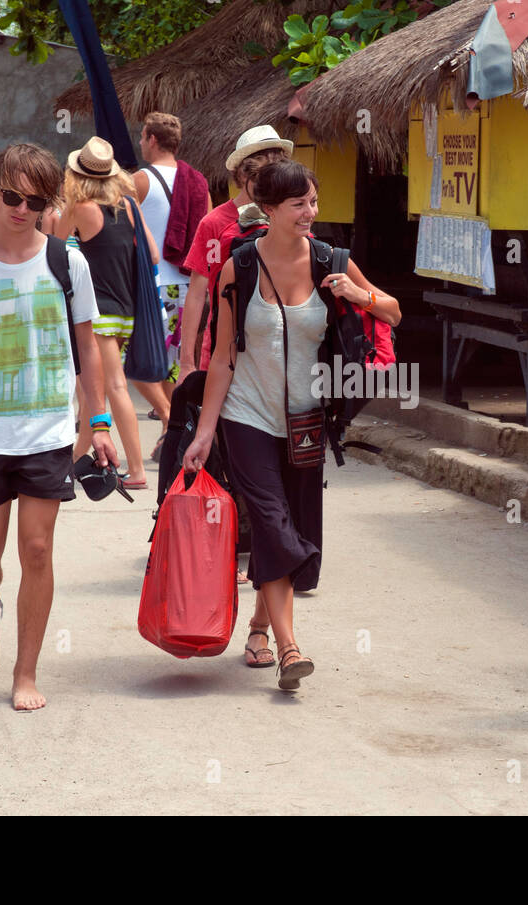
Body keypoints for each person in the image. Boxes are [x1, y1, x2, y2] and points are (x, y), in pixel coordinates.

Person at [182, 160, 400, 688]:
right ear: (272, 209)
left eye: (314, 202)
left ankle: (258, 626)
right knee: (273, 523)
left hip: (305, 421)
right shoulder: (239, 268)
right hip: (246, 416)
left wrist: (356, 294)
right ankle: (289, 648)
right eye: (299, 204)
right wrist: (205, 430)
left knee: (289, 530)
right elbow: (224, 358)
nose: (311, 212)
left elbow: (392, 313)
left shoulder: (331, 260)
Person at [0, 142, 118, 711]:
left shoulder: (67, 261)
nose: (21, 209)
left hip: (48, 433)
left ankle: (25, 672)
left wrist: (100, 418)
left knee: (36, 549)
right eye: (11, 196)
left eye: (34, 201)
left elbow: (88, 349)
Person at [53, 136, 159, 490]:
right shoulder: (129, 204)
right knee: (90, 391)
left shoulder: (80, 207)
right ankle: (71, 465)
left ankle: (138, 471)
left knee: (114, 386)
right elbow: (153, 255)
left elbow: (49, 246)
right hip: (127, 310)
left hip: (97, 311)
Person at [179, 125, 293, 380]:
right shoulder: (214, 223)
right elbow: (198, 292)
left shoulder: (288, 217)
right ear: (243, 174)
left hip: (276, 351)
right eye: (262, 175)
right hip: (222, 349)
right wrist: (187, 362)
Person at [132, 111, 212, 457]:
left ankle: (170, 425)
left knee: (154, 360)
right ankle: (176, 425)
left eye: (141, 136)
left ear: (151, 138)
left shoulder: (138, 180)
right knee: (181, 359)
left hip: (156, 284)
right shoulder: (198, 181)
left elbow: (126, 231)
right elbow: (207, 229)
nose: (139, 142)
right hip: (189, 284)